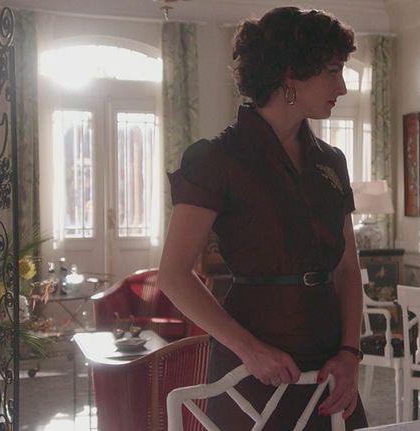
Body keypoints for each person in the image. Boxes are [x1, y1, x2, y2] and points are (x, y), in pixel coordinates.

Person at [157, 7, 368, 429]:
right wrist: (249, 350)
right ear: (290, 73)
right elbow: (173, 275)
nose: (342, 87)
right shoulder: (217, 159)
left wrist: (349, 353)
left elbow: (347, 268)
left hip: (330, 358)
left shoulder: (331, 161)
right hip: (253, 358)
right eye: (332, 71)